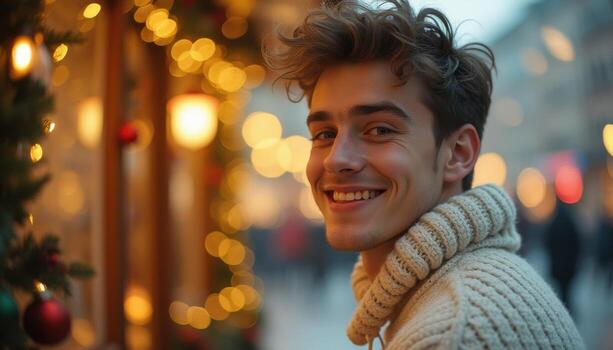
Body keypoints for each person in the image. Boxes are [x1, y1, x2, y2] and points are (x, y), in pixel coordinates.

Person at [264, 0, 584, 348]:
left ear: (458, 153)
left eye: (379, 130)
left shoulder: (456, 333)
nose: (335, 160)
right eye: (324, 134)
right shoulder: (461, 294)